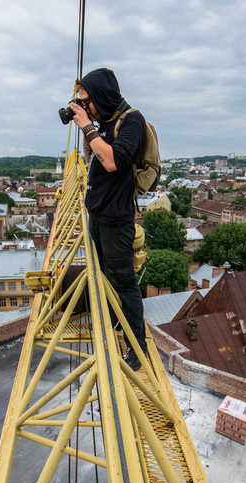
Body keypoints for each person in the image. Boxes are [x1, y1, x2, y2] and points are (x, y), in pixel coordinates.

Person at [69, 68, 146, 371]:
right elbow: (95, 156)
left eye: (86, 100)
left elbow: (113, 161)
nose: (84, 106)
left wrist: (88, 126)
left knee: (124, 282)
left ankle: (136, 348)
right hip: (98, 215)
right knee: (101, 276)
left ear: (100, 95)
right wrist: (91, 127)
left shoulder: (132, 121)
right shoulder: (105, 122)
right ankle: (113, 326)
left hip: (116, 220)